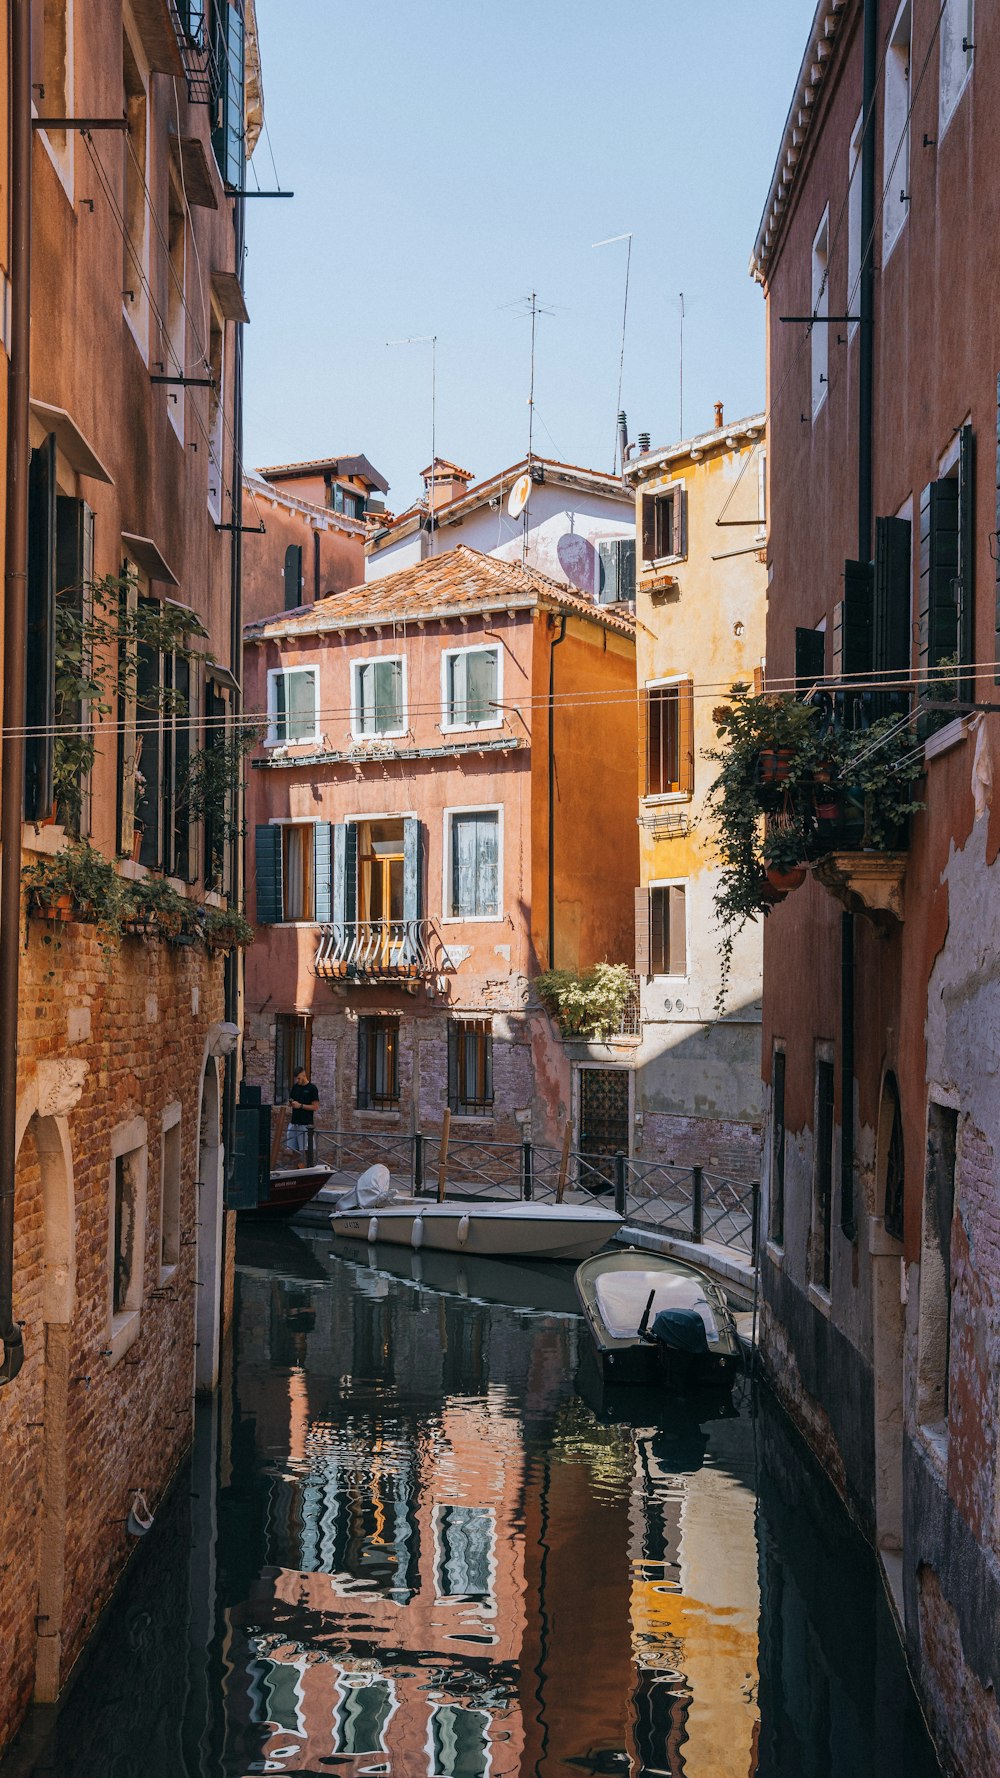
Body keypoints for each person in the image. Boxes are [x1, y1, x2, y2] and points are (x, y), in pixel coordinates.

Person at [286, 1067, 319, 1168]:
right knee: (291, 1149)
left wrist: (300, 1105)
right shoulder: (295, 1087)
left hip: (305, 1124)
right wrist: (291, 1103)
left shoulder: (312, 1088)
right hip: (294, 1122)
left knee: (306, 1150)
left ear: (304, 1075)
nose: (297, 1081)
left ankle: (308, 1169)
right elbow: (291, 1100)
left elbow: (315, 1107)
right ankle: (296, 1170)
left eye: (299, 1078)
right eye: (296, 1079)